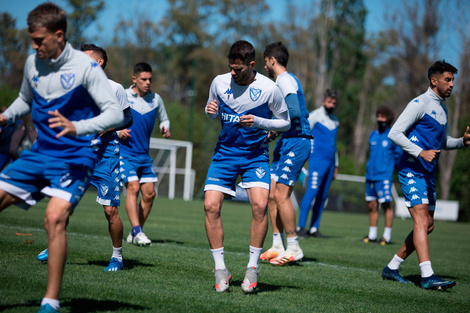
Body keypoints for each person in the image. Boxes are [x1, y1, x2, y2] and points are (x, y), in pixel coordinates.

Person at [0, 3, 124, 313]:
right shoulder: (33, 63)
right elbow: (24, 100)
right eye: (31, 39)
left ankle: (50, 303)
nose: (34, 46)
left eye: (39, 40)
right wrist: (6, 116)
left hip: (77, 154)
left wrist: (76, 127)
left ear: (59, 36)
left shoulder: (87, 70)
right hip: (42, 151)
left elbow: (115, 115)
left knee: (54, 218)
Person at [36, 44, 133, 272]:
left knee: (110, 211)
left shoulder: (114, 88)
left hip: (105, 156)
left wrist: (108, 128)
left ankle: (117, 257)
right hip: (76, 154)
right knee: (61, 204)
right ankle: (54, 245)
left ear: (99, 63)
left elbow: (127, 119)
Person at [204, 40, 290, 293]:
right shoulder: (219, 82)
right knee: (210, 206)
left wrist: (260, 122)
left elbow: (284, 122)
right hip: (225, 153)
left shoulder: (269, 88)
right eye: (231, 68)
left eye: (238, 69)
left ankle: (252, 268)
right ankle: (220, 270)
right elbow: (213, 111)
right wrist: (210, 112)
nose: (233, 73)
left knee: (261, 206)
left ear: (252, 65)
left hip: (255, 155)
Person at [382, 60, 470, 290]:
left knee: (428, 225)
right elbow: (395, 133)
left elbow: (444, 142)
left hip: (429, 174)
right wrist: (420, 152)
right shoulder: (419, 103)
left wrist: (462, 142)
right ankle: (427, 275)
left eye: (453, 80)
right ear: (434, 81)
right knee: (420, 220)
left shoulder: (443, 109)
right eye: (447, 80)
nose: (452, 85)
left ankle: (392, 267)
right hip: (411, 169)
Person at [259, 42, 312, 266]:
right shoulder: (279, 82)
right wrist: (272, 134)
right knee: (271, 193)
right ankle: (277, 244)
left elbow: (294, 113)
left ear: (272, 59)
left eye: (265, 60)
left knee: (281, 195)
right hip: (286, 141)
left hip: (298, 141)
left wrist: (271, 126)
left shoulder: (285, 80)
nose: (264, 65)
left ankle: (294, 247)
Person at [120, 62, 171, 246]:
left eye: (150, 79)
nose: (148, 82)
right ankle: (137, 231)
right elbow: (108, 117)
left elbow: (164, 118)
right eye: (144, 79)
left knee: (149, 194)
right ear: (134, 79)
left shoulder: (156, 99)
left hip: (143, 156)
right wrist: (117, 132)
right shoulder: (123, 96)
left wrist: (164, 127)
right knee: (132, 188)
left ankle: (136, 232)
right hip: (125, 153)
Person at [297, 89, 339, 238]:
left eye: (334, 103)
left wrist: (336, 165)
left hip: (330, 163)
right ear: (323, 101)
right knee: (312, 192)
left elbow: (334, 145)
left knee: (322, 196)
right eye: (329, 102)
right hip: (317, 161)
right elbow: (304, 133)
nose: (331, 105)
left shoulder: (335, 120)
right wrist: (303, 156)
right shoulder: (315, 116)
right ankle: (300, 227)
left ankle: (314, 228)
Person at [362, 106, 402, 245]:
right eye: (378, 116)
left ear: (388, 119)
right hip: (370, 176)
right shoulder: (373, 134)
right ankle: (372, 236)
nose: (380, 119)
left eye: (383, 117)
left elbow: (398, 155)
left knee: (386, 205)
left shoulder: (393, 135)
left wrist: (390, 169)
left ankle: (387, 236)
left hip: (384, 176)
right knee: (372, 205)